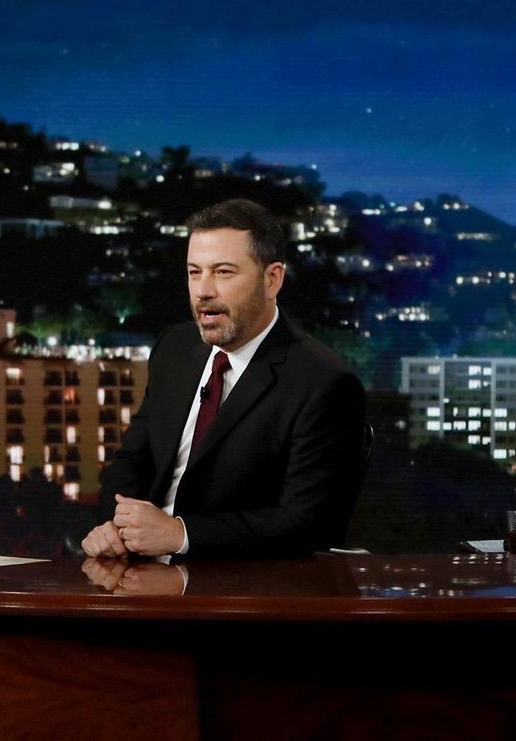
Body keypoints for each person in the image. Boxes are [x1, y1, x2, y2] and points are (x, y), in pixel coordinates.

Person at [83, 198, 367, 559]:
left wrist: (181, 535)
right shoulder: (174, 347)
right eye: (194, 272)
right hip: (140, 567)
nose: (203, 290)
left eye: (223, 273)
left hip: (239, 579)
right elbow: (132, 461)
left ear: (272, 279)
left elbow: (308, 524)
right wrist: (113, 526)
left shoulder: (323, 382)